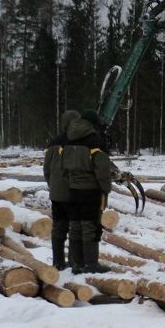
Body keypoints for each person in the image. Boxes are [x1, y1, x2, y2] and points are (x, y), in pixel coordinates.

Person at [62, 109, 112, 274]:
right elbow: (102, 170)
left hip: (72, 190)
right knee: (90, 227)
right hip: (90, 191)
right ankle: (91, 265)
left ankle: (75, 263)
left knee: (75, 226)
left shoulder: (68, 139)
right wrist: (106, 188)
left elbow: (63, 166)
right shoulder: (95, 141)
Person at [43, 110, 79, 269]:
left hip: (57, 194)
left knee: (58, 228)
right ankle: (73, 262)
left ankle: (58, 263)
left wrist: (54, 187)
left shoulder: (53, 143)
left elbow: (47, 170)